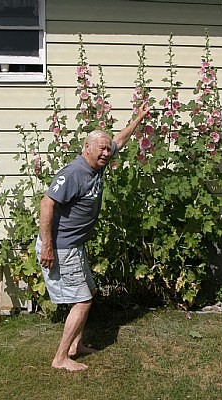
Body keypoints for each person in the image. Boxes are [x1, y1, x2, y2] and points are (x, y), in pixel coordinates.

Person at [35, 103, 150, 372]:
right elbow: (46, 204)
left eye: (108, 150)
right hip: (61, 246)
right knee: (83, 300)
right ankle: (60, 358)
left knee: (89, 292)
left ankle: (76, 346)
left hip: (74, 245)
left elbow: (119, 139)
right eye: (102, 149)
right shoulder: (75, 173)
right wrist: (48, 247)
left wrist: (138, 119)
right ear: (87, 149)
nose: (107, 153)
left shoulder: (99, 163)